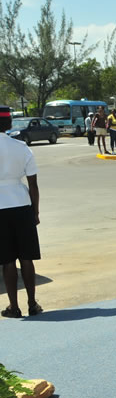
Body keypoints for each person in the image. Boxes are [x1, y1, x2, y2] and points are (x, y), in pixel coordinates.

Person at [1, 105, 43, 319]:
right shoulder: (22, 147)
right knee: (27, 258)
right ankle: (32, 303)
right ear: (9, 124)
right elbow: (33, 183)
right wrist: (35, 212)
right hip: (21, 203)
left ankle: (13, 307)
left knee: (7, 260)